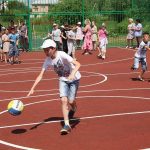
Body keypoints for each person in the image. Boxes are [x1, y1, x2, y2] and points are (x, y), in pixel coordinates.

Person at [27, 39, 81, 135]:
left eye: (47, 50)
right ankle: (67, 125)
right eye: (44, 50)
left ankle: (73, 109)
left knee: (71, 101)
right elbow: (40, 75)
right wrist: (32, 88)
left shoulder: (62, 54)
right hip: (62, 80)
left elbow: (78, 64)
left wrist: (72, 73)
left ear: (54, 48)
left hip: (74, 79)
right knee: (63, 100)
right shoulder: (47, 61)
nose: (45, 52)